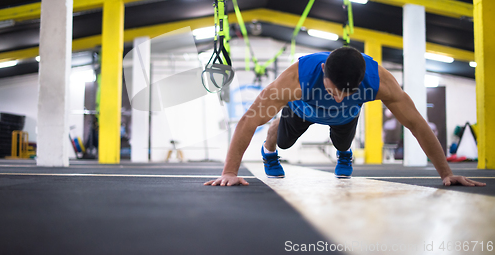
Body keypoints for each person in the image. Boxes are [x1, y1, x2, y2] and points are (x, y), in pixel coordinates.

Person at [204, 47, 485, 187]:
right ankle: (269, 150)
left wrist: (446, 173)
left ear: (362, 81)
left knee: (342, 143)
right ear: (323, 70)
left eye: (346, 92)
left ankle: (344, 153)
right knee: (283, 140)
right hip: (301, 109)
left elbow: (415, 124)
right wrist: (229, 172)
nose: (338, 97)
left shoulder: (380, 82)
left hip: (345, 119)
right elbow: (248, 120)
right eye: (334, 90)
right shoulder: (294, 81)